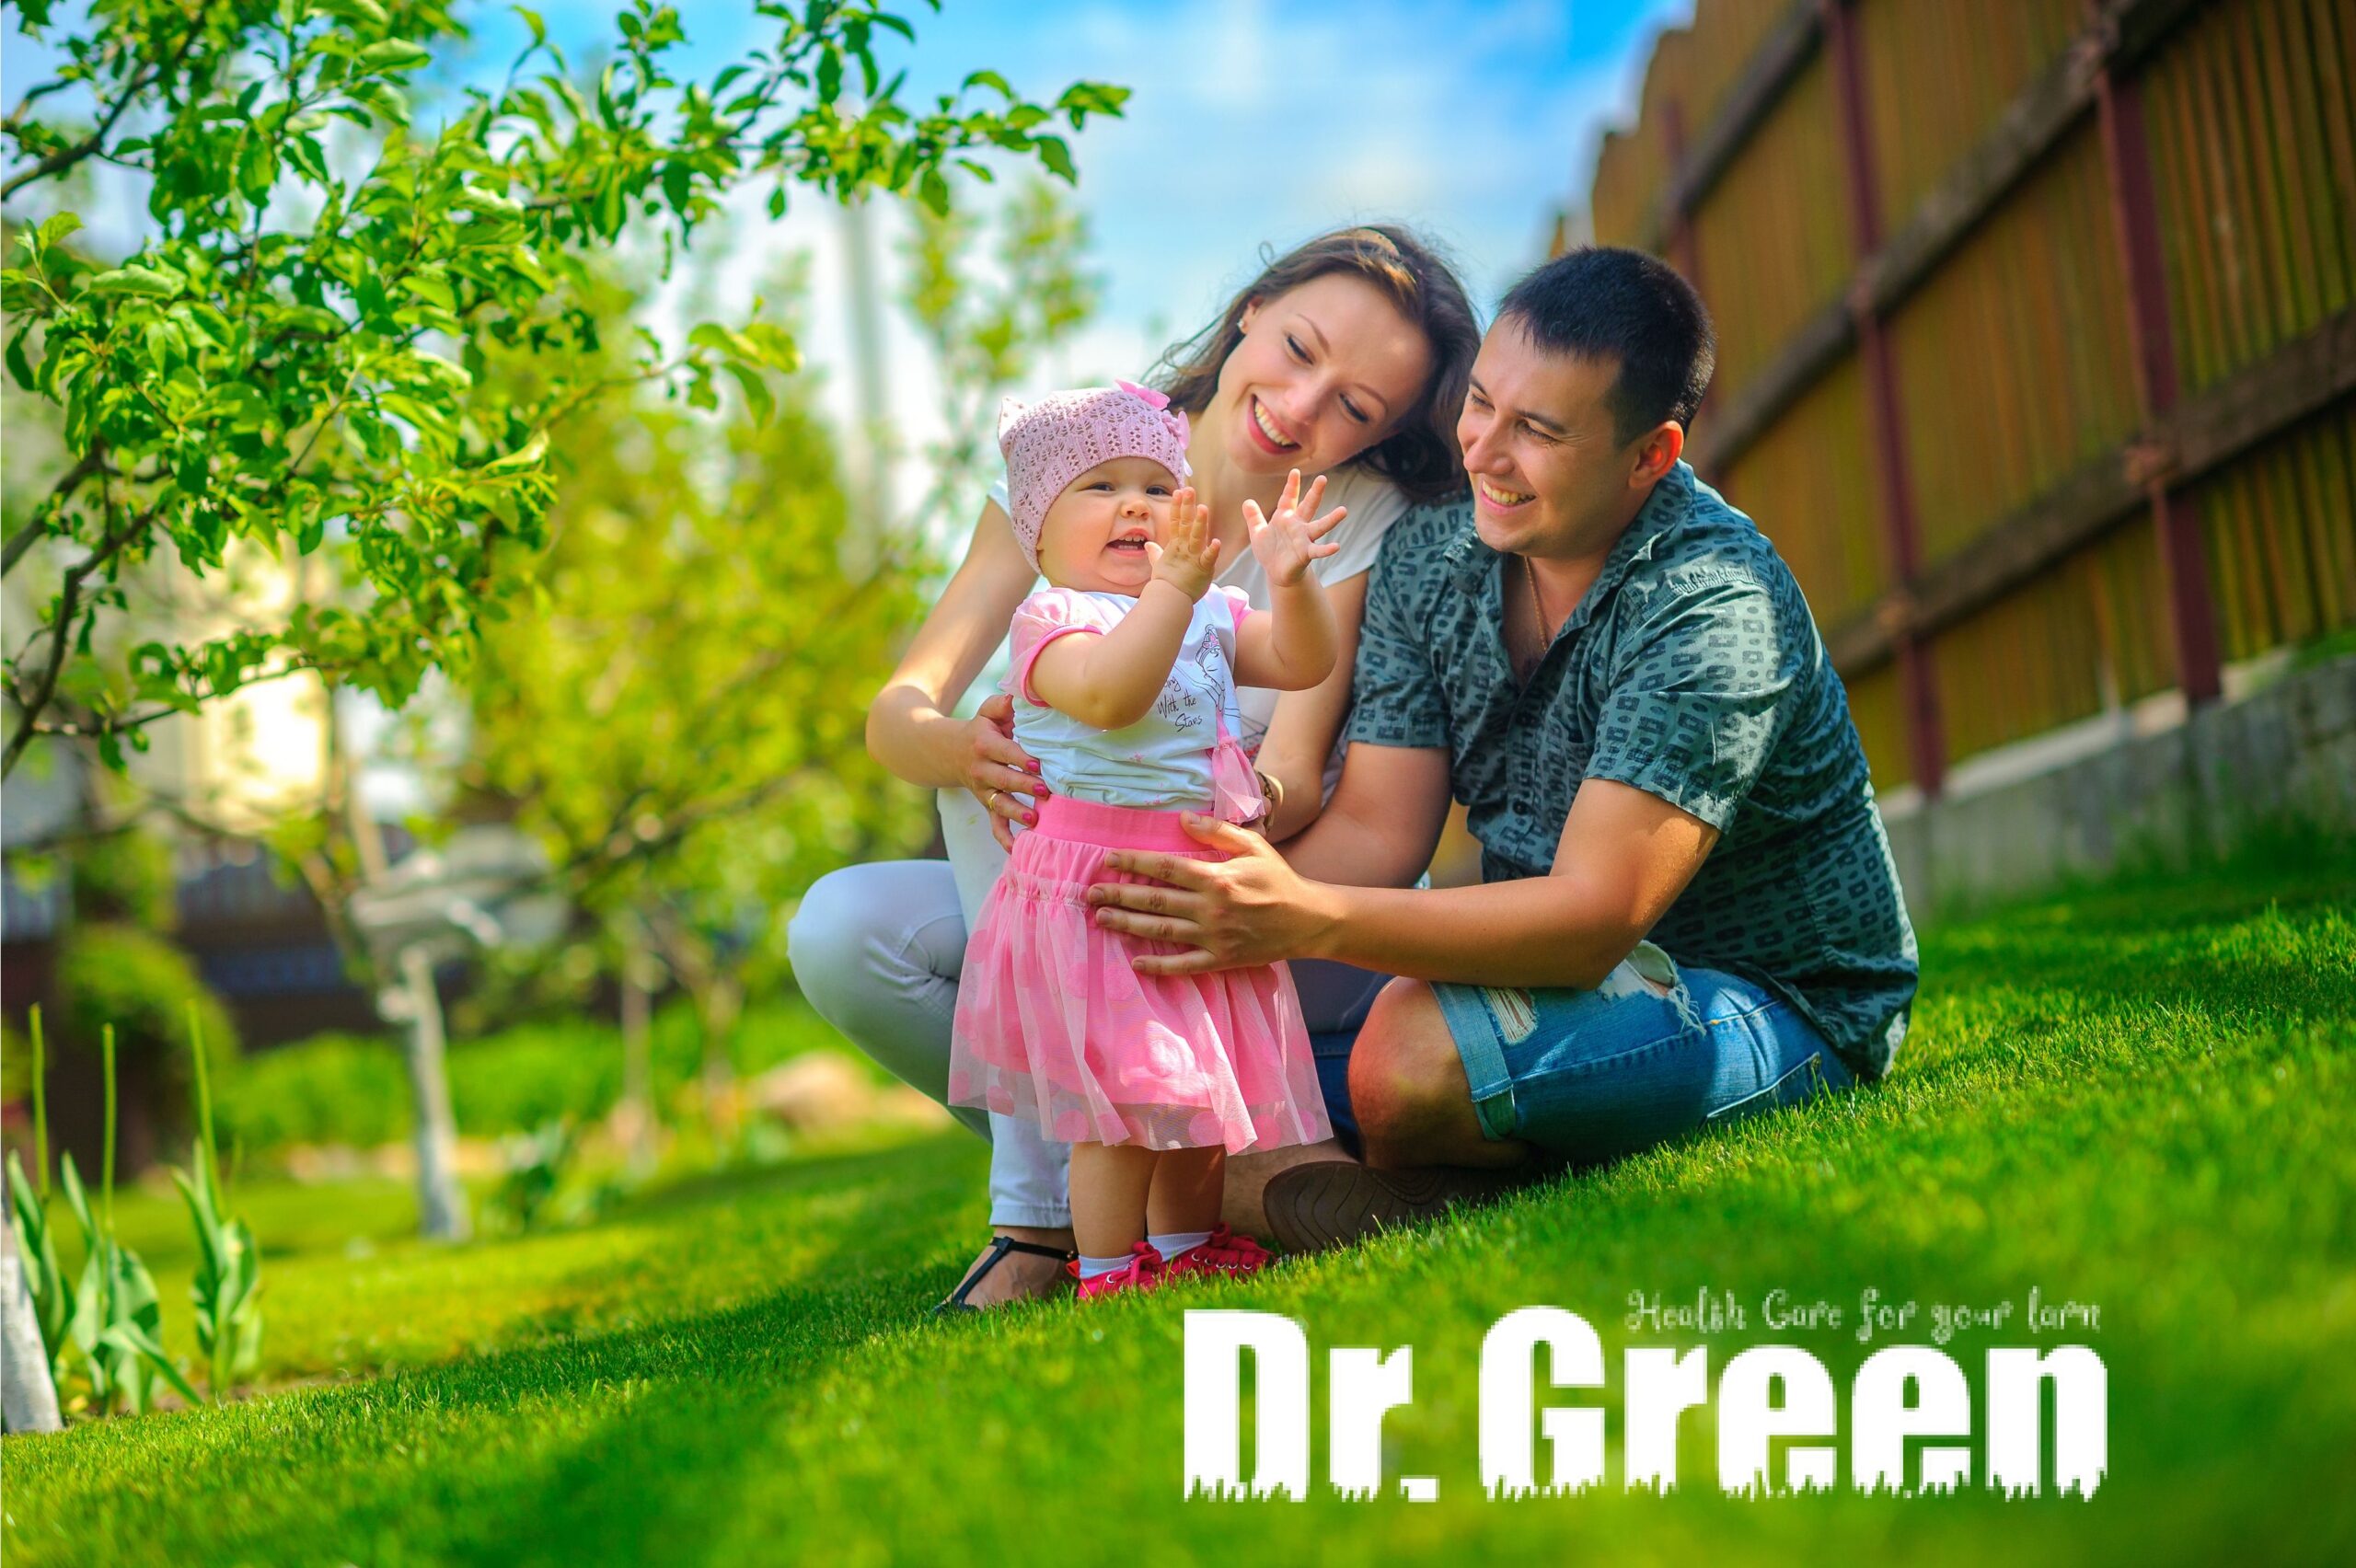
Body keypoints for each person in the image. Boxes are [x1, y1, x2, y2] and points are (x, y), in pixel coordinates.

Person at [1082, 246, 1921, 1250]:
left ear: (1649, 455)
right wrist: (1208, 901)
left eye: (1539, 431)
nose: (1483, 452)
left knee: (1406, 1056)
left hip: (1761, 997)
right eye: (1481, 404)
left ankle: (1386, 1173)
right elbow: (1377, 824)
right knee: (1200, 1056)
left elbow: (1592, 918)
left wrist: (1299, 917)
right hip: (1546, 979)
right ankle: (1366, 1171)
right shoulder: (1432, 557)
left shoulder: (1710, 605)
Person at [789, 226, 1481, 1309]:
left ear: (1384, 434)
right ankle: (1146, 1185)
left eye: (1355, 407)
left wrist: (1204, 813)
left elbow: (1295, 765)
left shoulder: (1336, 519)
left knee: (1060, 811)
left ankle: (1049, 1223)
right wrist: (968, 750)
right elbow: (898, 715)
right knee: (847, 922)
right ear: (1253, 308)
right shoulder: (1075, 459)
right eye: (1299, 348)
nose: (1302, 408)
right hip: (1074, 889)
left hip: (1244, 895)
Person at [950, 385, 1345, 1300]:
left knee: (1198, 1099)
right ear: (1039, 533)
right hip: (1097, 892)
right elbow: (1110, 694)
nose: (1135, 505)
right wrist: (1173, 591)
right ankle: (1104, 1267)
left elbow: (1304, 663)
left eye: (1157, 488)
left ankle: (1185, 1246)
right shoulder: (1053, 622)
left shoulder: (1212, 612)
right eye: (1099, 487)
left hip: (1192, 879)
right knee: (1123, 1107)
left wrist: (1290, 584)